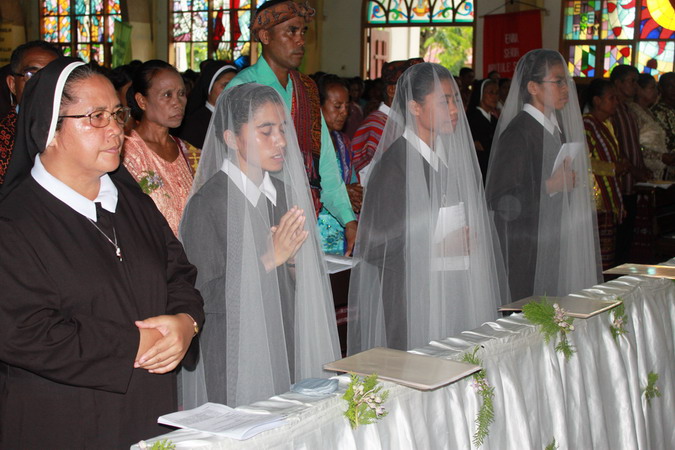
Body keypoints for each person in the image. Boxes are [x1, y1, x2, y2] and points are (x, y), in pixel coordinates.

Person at [0, 58, 204, 448]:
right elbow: (24, 331)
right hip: (61, 422)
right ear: (50, 129)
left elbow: (179, 274)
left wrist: (186, 322)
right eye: (96, 117)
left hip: (149, 411)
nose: (115, 130)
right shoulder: (14, 222)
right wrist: (136, 343)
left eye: (117, 114)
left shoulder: (133, 202)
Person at [180, 83, 340, 408]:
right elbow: (203, 297)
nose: (280, 141)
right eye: (266, 131)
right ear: (231, 138)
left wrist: (294, 264)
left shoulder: (284, 193)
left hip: (285, 338)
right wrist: (268, 259)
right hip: (234, 353)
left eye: (282, 129)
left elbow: (298, 285)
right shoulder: (208, 203)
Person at [347, 63, 506, 353]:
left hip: (449, 290)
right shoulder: (394, 166)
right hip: (410, 301)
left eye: (456, 99)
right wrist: (436, 246)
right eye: (444, 101)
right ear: (415, 108)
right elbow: (373, 246)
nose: (455, 109)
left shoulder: (448, 158)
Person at [227, 0, 358, 255]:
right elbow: (233, 164)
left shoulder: (306, 89)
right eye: (291, 31)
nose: (300, 41)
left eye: (303, 32)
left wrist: (348, 220)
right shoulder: (243, 88)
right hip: (257, 218)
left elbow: (325, 163)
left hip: (303, 216)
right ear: (265, 36)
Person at [485, 49, 601, 301]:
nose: (566, 89)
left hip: (552, 242)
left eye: (566, 81)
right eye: (558, 81)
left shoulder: (555, 129)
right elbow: (498, 199)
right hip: (525, 252)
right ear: (533, 87)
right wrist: (549, 185)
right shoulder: (519, 133)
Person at [123, 60, 200, 236]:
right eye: (167, 95)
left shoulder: (189, 152)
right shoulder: (125, 153)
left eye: (181, 93)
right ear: (142, 101)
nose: (177, 103)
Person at [0, 40, 61, 185]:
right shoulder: (3, 138)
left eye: (51, 76)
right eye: (31, 75)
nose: (42, 85)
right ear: (12, 84)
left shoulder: (76, 129)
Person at [351, 58, 423, 179]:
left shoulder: (404, 122)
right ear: (392, 90)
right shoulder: (375, 125)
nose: (418, 96)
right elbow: (365, 176)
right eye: (411, 90)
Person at [583, 79, 629, 269]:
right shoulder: (587, 124)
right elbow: (584, 161)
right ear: (597, 101)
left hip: (609, 199)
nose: (616, 102)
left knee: (607, 257)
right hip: (595, 199)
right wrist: (612, 168)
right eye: (612, 98)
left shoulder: (607, 124)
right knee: (595, 257)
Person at [316, 74, 362, 253]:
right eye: (337, 106)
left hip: (344, 227)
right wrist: (343, 192)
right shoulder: (308, 145)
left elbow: (351, 179)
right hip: (318, 227)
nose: (344, 112)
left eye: (346, 106)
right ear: (318, 106)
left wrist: (355, 193)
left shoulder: (343, 141)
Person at [610, 64, 651, 263]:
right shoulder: (611, 110)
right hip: (620, 183)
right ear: (618, 83)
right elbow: (615, 146)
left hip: (632, 184)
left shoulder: (628, 110)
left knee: (627, 239)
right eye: (632, 81)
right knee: (617, 239)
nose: (635, 86)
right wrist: (634, 170)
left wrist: (642, 167)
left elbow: (634, 145)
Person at [179, 61, 238, 149]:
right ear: (209, 88)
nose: (232, 90)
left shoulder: (240, 118)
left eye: (236, 85)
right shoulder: (195, 124)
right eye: (225, 85)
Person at [628, 73, 673, 179]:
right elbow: (633, 145)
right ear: (639, 90)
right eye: (652, 88)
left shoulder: (648, 111)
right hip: (642, 167)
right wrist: (660, 156)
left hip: (659, 169)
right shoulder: (632, 112)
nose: (656, 92)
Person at [466, 78, 499, 182]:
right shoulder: (472, 119)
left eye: (497, 93)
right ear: (480, 94)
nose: (495, 96)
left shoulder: (494, 120)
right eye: (491, 92)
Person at [652, 72, 675, 178]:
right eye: (670, 86)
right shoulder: (656, 112)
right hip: (668, 166)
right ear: (661, 88)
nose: (674, 89)